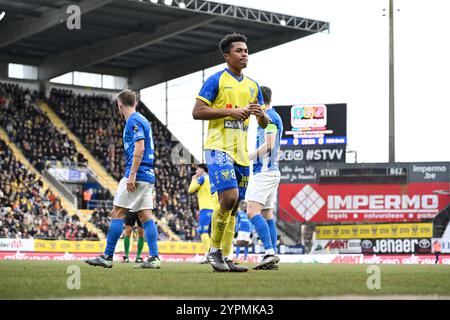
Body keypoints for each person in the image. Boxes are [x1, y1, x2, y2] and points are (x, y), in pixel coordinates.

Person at [192, 33, 269, 272]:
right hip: (217, 148)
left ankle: (225, 256)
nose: (245, 54)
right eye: (239, 50)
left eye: (246, 50)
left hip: (241, 153)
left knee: (234, 206)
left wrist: (262, 116)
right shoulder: (216, 80)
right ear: (227, 56)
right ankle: (214, 251)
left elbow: (264, 123)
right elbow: (197, 112)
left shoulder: (253, 86)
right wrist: (231, 112)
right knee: (229, 197)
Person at [85, 89, 160, 269]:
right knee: (145, 215)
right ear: (135, 102)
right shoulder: (143, 120)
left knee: (117, 213)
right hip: (149, 175)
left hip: (137, 174)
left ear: (119, 105)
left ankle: (107, 256)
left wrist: (132, 174)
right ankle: (154, 257)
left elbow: (140, 148)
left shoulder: (133, 120)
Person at [245, 86, 283, 270]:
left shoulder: (269, 118)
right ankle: (271, 255)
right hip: (272, 171)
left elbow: (269, 144)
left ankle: (269, 252)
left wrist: (248, 157)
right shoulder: (276, 116)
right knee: (267, 215)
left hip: (265, 172)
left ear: (258, 100)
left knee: (252, 212)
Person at [188, 164, 216, 263]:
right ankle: (214, 255)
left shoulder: (202, 178)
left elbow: (190, 190)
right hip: (214, 209)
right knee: (213, 234)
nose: (196, 172)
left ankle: (207, 256)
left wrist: (193, 179)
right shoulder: (212, 179)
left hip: (205, 209)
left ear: (203, 170)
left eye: (197, 169)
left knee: (203, 233)